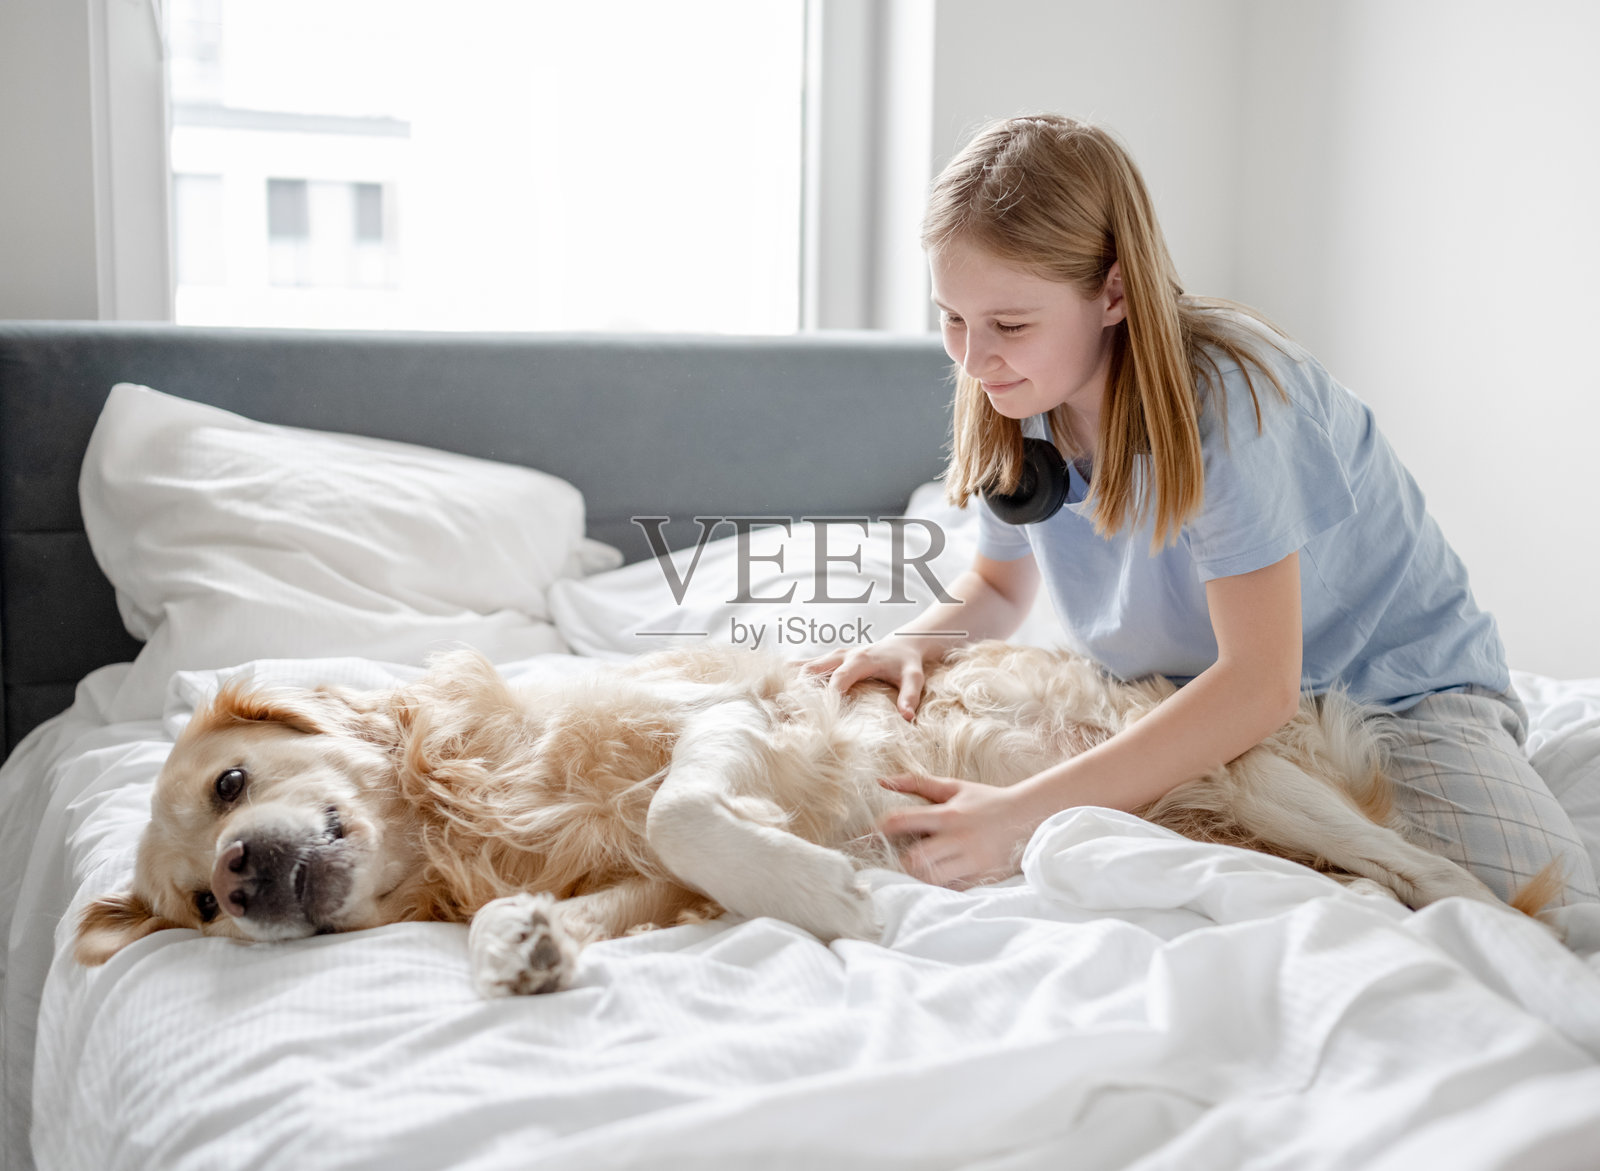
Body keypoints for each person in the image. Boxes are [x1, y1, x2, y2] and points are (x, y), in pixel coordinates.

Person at [803, 113, 1597, 905]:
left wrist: (1021, 813)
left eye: (1008, 323)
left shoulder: (1234, 399)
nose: (974, 359)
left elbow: (1259, 684)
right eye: (951, 318)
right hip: (1186, 701)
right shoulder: (1020, 395)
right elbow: (1004, 587)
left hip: (1388, 694)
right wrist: (914, 641)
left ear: (1113, 292)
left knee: (1555, 917)